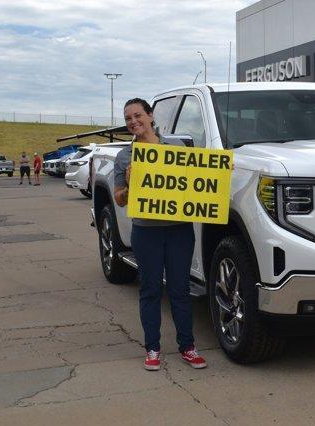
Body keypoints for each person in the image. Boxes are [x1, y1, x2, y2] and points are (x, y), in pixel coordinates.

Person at [113, 98, 206, 371]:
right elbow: (119, 199)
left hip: (179, 231)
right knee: (151, 290)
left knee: (179, 291)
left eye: (138, 115)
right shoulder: (125, 157)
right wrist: (131, 186)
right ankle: (152, 348)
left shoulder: (176, 149)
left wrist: (218, 173)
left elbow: (197, 182)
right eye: (128, 118)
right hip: (146, 233)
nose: (133, 122)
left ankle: (187, 347)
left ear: (151, 116)